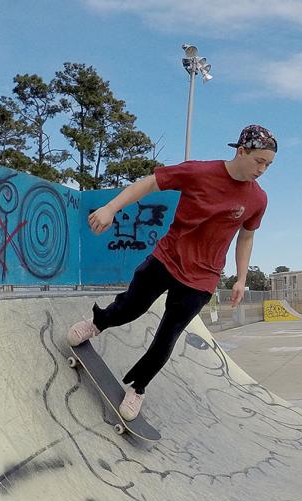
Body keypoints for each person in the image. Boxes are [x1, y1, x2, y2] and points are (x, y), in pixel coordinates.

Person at [68, 124, 276, 420]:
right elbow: (150, 183)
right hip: (167, 258)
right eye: (259, 161)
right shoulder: (199, 172)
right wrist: (111, 208)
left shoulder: (258, 199)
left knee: (167, 337)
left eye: (268, 165)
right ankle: (97, 323)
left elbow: (247, 236)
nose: (263, 169)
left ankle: (138, 388)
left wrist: (241, 278)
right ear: (242, 151)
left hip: (203, 278)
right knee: (130, 308)